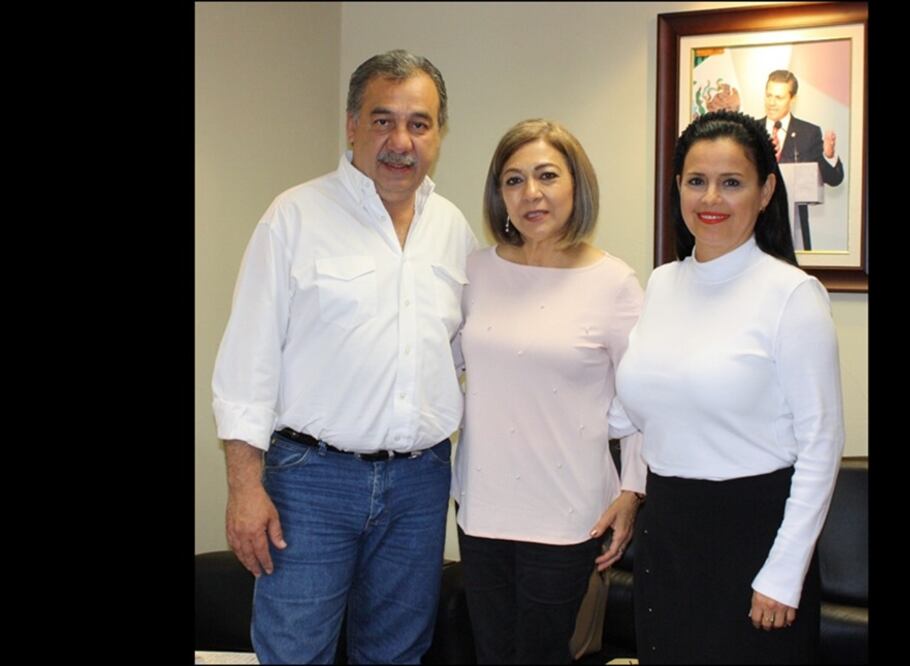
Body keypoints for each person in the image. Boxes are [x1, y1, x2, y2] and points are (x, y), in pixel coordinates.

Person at [211, 49, 477, 664]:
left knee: (397, 653)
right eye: (383, 120)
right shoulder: (295, 216)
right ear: (352, 124)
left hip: (419, 482)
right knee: (294, 653)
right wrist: (245, 489)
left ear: (438, 134)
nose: (400, 140)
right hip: (312, 483)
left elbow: (468, 358)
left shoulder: (453, 229)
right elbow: (247, 365)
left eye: (419, 122)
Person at [614, 109, 844, 663]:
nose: (710, 198)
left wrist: (785, 571)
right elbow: (644, 413)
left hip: (754, 538)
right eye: (697, 180)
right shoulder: (663, 283)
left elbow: (822, 444)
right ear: (678, 187)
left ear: (766, 191)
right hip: (668, 536)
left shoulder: (793, 295)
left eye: (731, 182)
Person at [452, 119, 647, 664]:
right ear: (499, 195)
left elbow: (641, 404)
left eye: (546, 176)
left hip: (567, 512)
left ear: (575, 186)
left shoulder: (614, 283)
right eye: (513, 180)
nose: (530, 193)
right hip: (482, 506)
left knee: (542, 654)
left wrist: (630, 493)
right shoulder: (474, 272)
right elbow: (443, 363)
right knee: (491, 653)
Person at [761, 69, 844, 250]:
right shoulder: (749, 131)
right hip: (755, 227)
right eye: (769, 96)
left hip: (794, 229)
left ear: (792, 100)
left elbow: (834, 179)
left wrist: (828, 157)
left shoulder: (808, 133)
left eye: (779, 97)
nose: (772, 103)